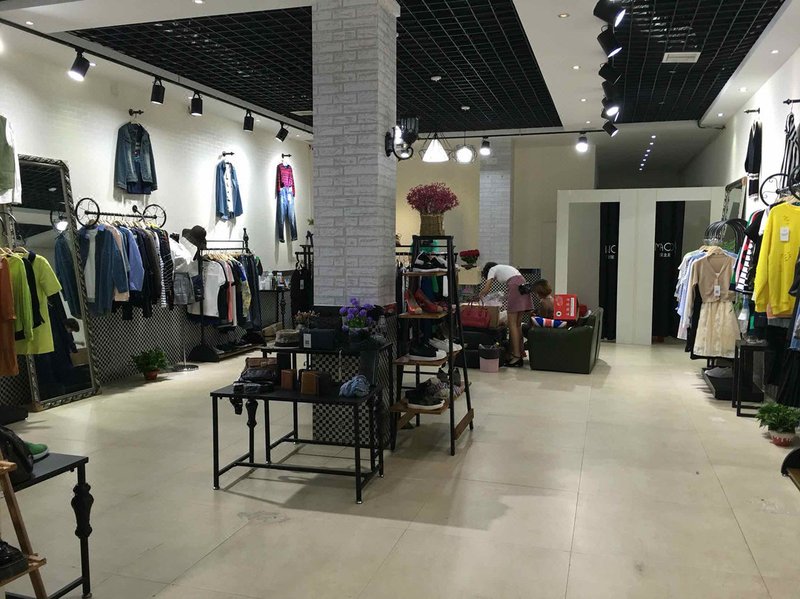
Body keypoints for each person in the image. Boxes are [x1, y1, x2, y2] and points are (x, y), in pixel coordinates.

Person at [479, 262, 532, 367]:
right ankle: (520, 353)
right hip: (524, 286)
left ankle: (516, 356)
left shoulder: (492, 269)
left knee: (512, 324)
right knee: (517, 325)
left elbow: (487, 288)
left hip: (515, 287)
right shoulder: (505, 268)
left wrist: (480, 296)